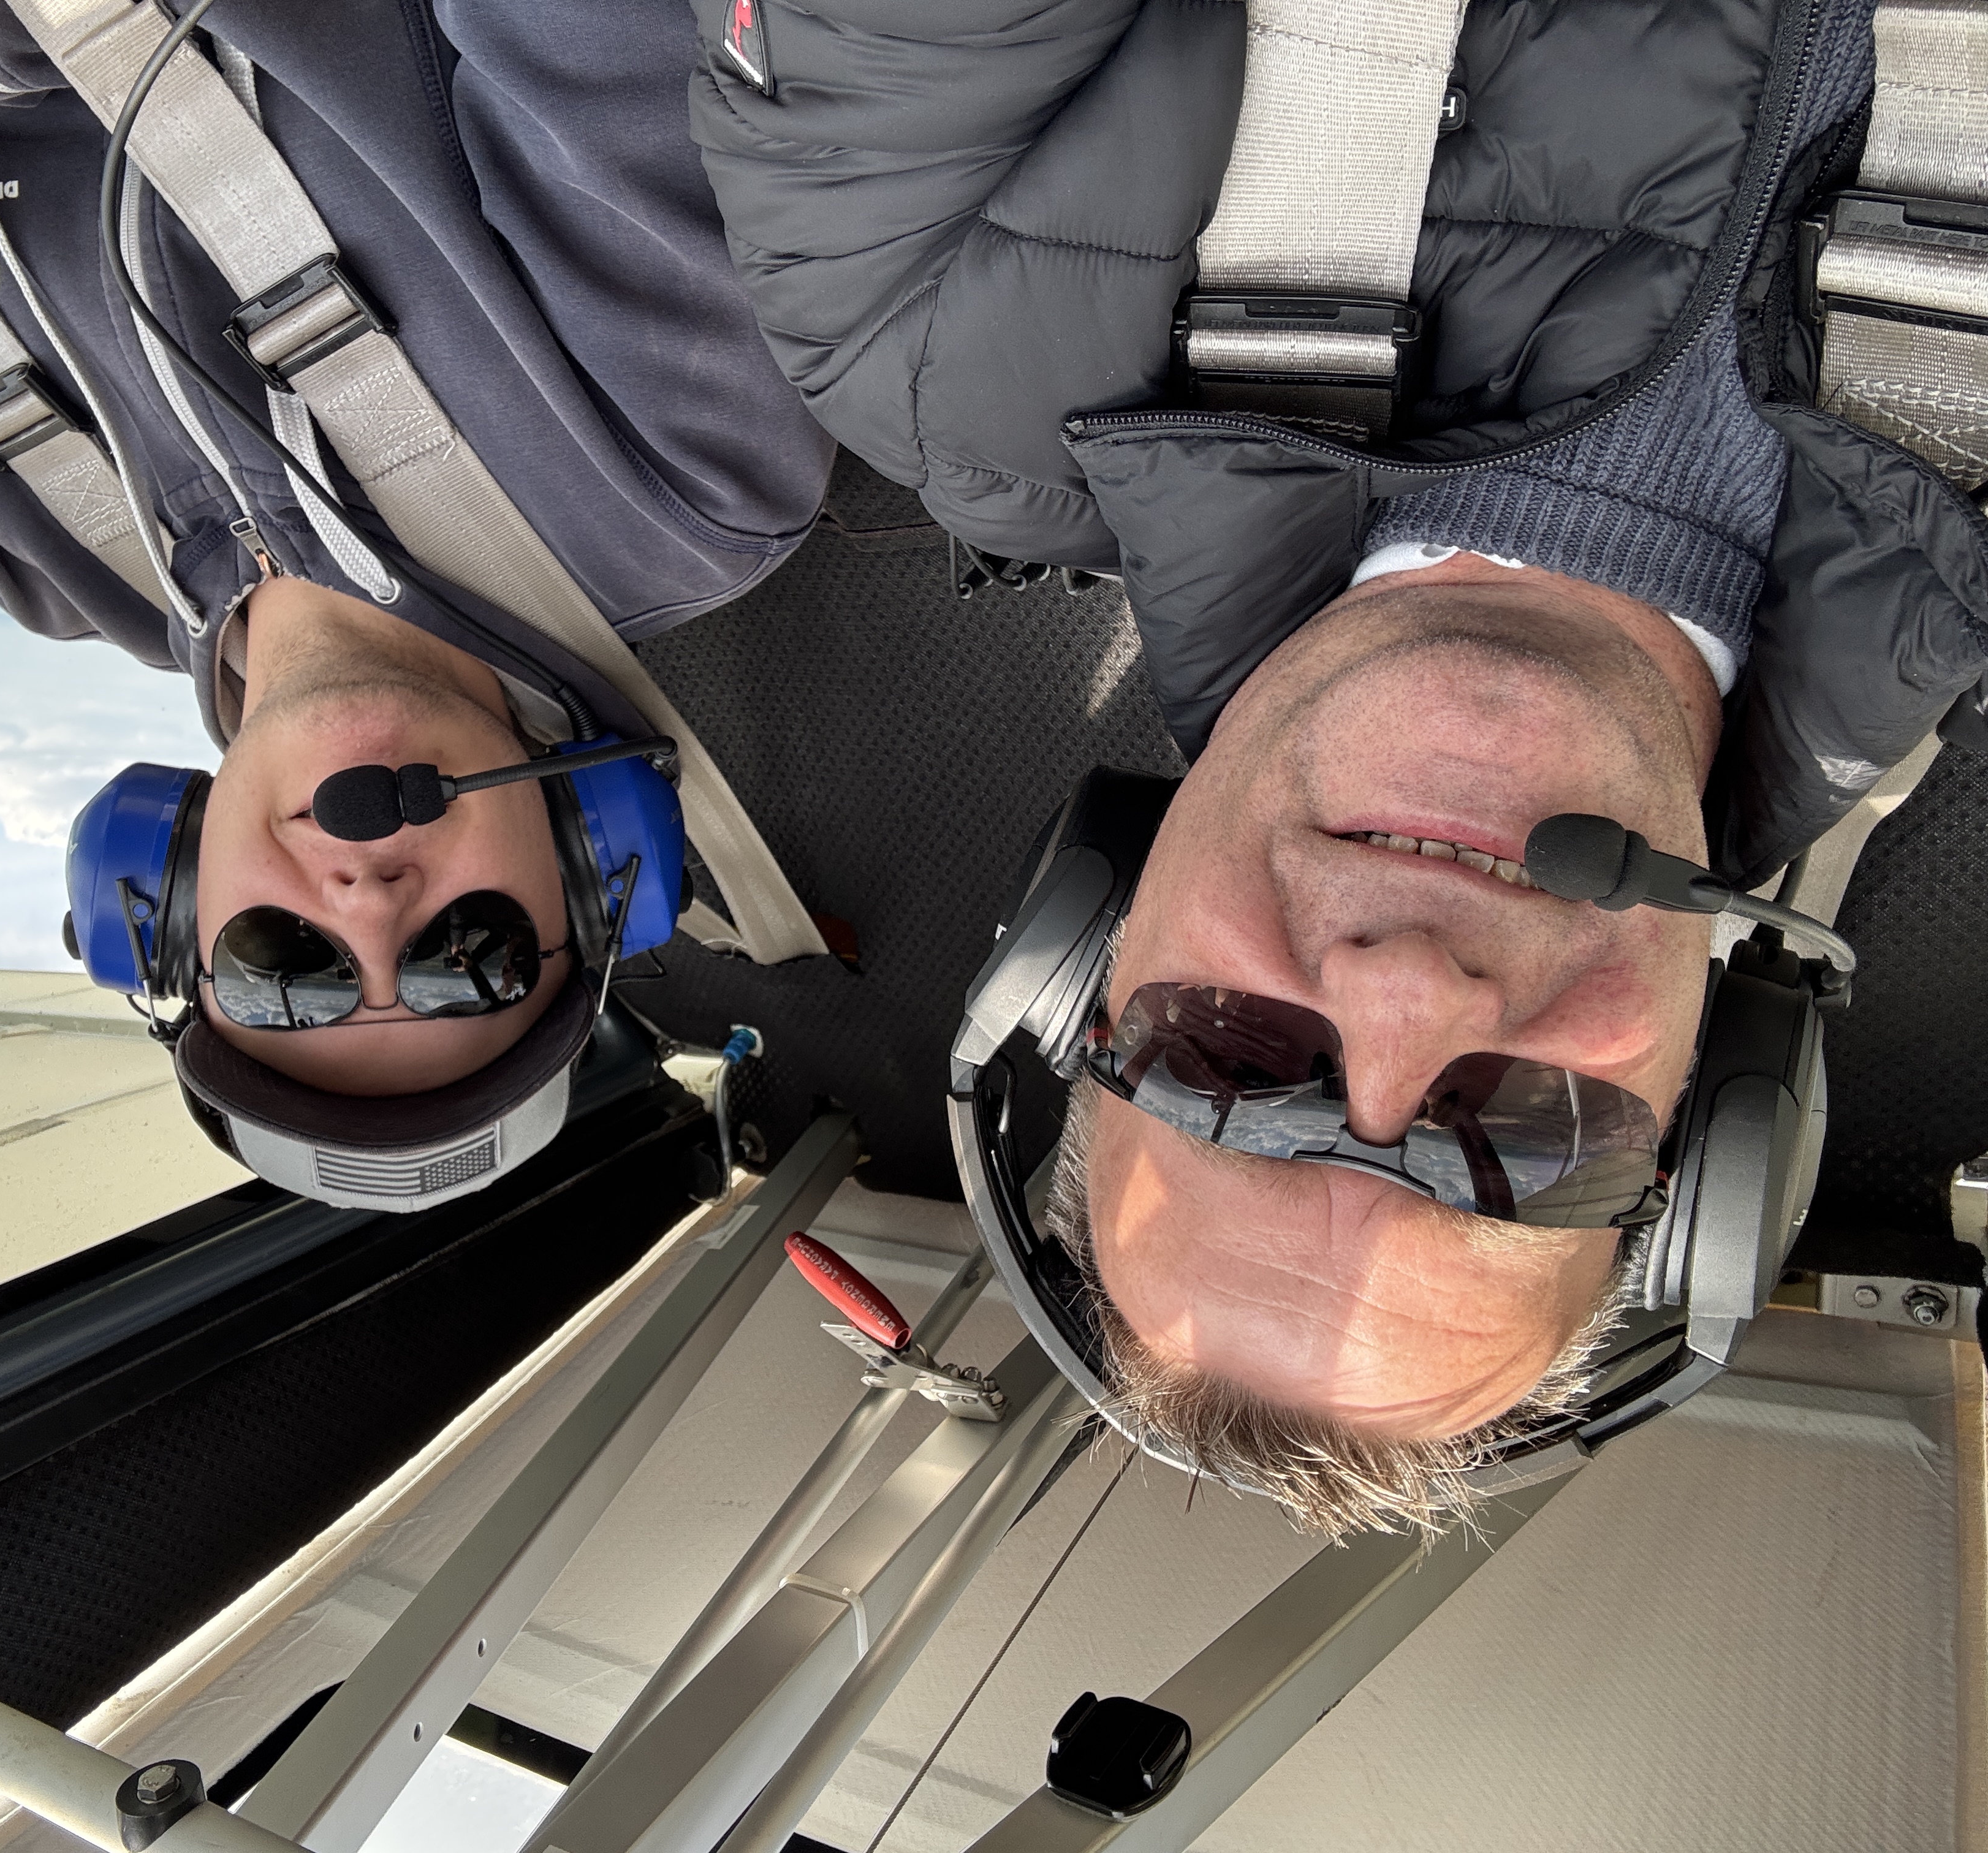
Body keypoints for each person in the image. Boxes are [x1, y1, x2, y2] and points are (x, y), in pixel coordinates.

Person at [691, 0, 1988, 1529]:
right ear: (1713, 1092)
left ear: (1088, 950)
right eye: (1513, 1137)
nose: (1406, 995)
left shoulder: (922, 334)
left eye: (1234, 1067)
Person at [0, 0, 836, 1199]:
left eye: (283, 967)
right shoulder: (680, 475)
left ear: (172, 903)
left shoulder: (19, 538)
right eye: (471, 957)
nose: (370, 901)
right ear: (587, 878)